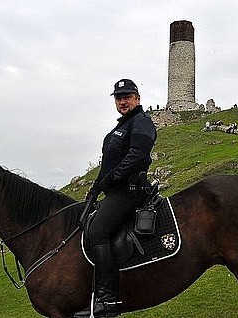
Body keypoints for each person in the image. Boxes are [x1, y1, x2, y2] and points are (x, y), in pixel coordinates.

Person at [74, 79, 157, 318]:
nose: (122, 101)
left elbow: (137, 156)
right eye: (118, 98)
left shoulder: (141, 122)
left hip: (129, 191)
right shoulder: (119, 129)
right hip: (114, 190)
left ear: (137, 98)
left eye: (127, 96)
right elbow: (106, 166)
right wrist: (93, 191)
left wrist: (111, 179)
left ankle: (107, 300)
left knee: (98, 232)